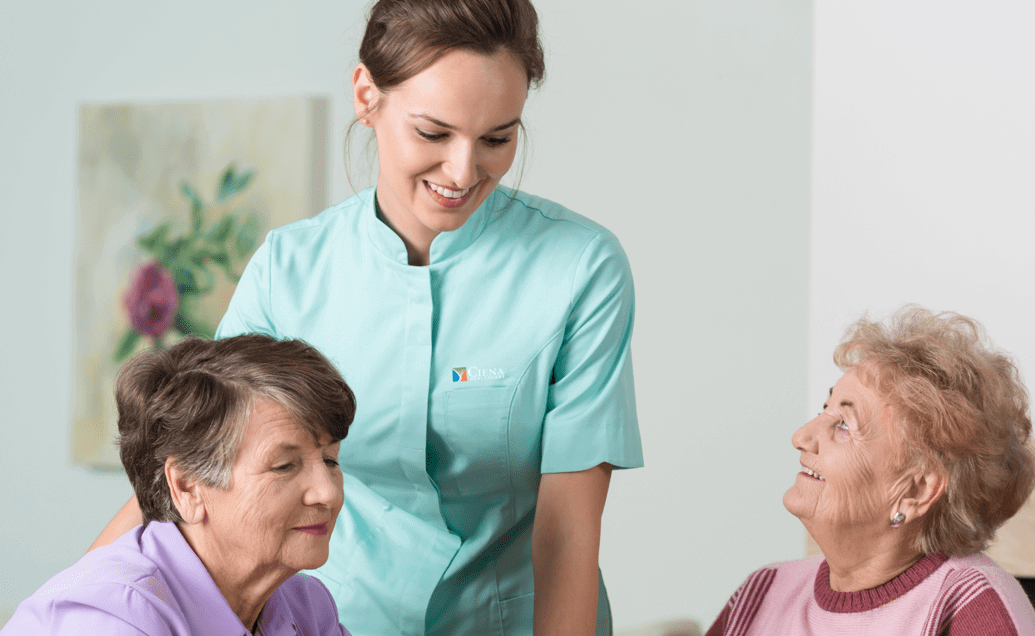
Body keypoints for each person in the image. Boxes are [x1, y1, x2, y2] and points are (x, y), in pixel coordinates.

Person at [92, 1, 641, 635]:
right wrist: (60, 607)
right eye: (433, 133)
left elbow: (568, 533)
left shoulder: (580, 268)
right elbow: (195, 472)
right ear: (366, 96)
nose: (464, 171)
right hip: (336, 623)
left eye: (497, 138)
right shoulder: (288, 269)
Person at [707, 306, 1035, 635]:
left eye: (844, 425)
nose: (802, 437)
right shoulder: (762, 593)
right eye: (825, 409)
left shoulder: (970, 608)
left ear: (916, 490)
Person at [6, 335, 355, 635]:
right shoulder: (112, 618)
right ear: (187, 487)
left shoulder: (306, 605)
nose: (328, 492)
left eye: (330, 460)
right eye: (283, 466)